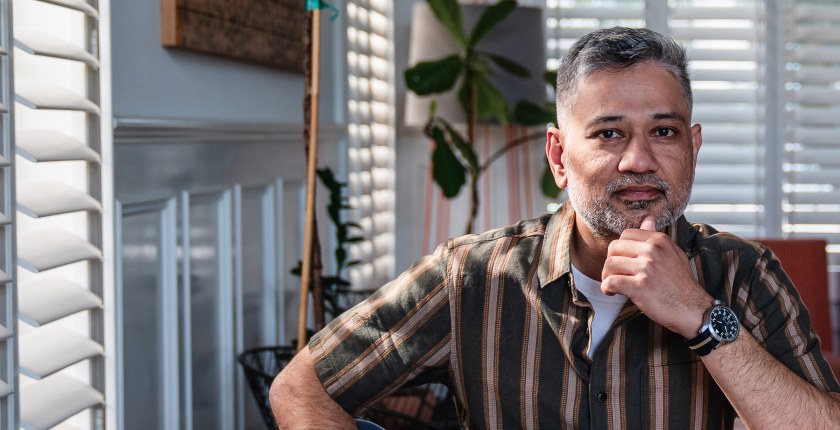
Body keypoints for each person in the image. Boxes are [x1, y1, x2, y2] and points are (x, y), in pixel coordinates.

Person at [271, 27, 840, 429]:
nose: (639, 159)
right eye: (609, 133)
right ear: (559, 156)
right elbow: (302, 388)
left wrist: (699, 315)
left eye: (664, 132)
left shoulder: (744, 273)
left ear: (692, 148)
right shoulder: (468, 278)